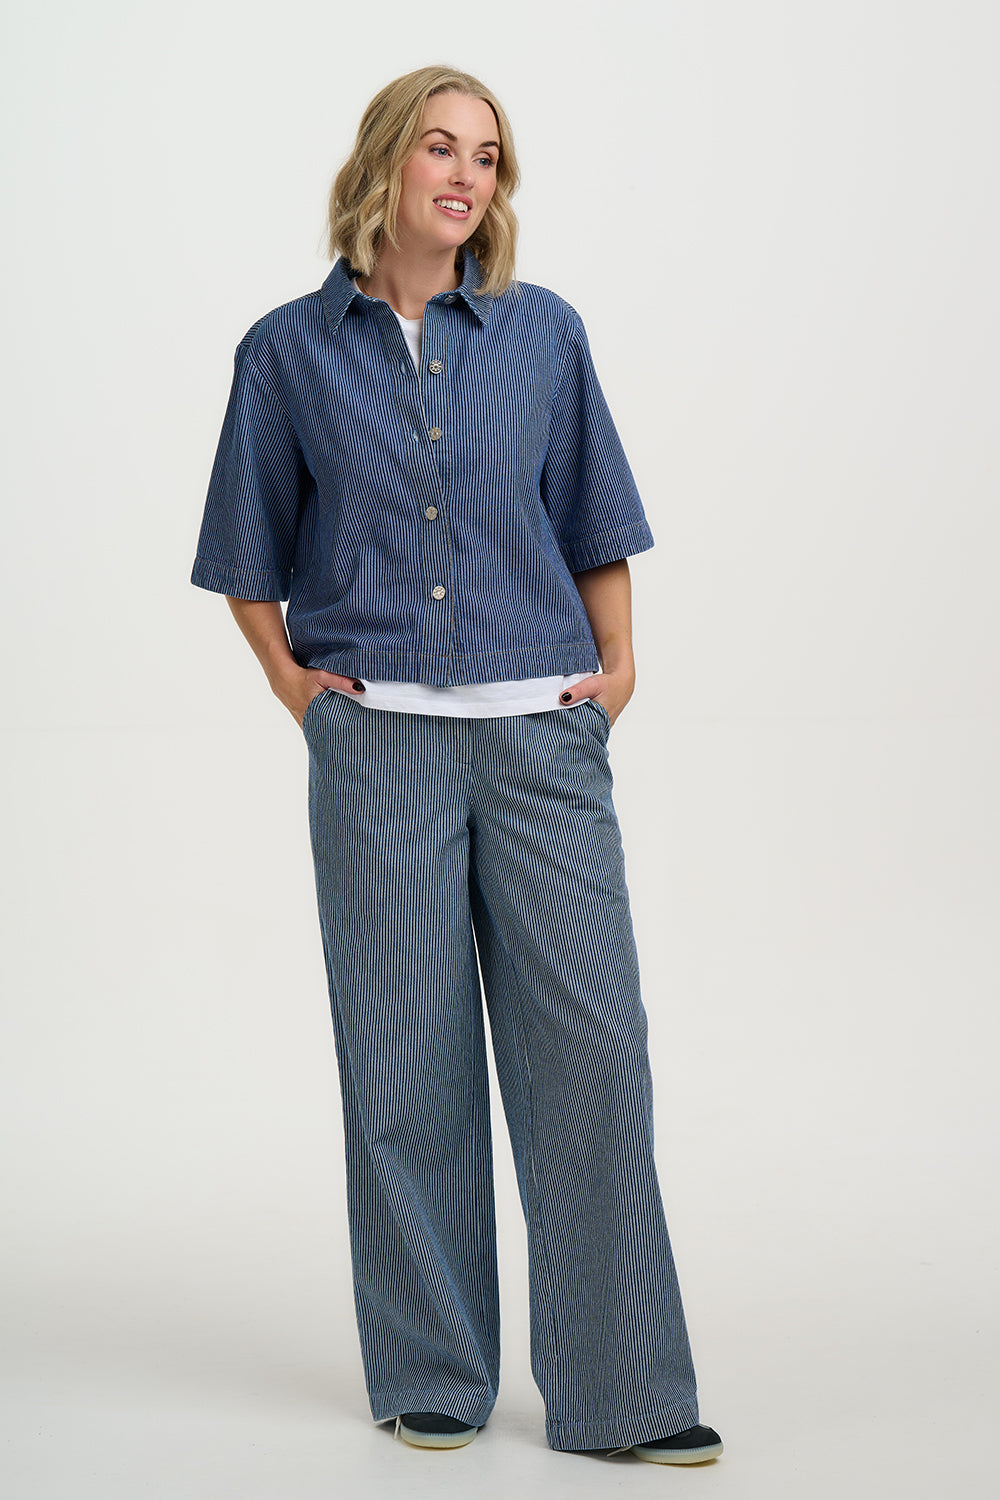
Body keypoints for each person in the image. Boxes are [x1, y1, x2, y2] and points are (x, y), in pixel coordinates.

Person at [191, 64, 722, 1466]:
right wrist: (299, 691)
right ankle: (433, 1369)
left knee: (595, 1057)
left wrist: (615, 674)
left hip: (542, 738)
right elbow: (248, 553)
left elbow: (593, 512)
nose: (468, 175)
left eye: (488, 157)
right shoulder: (288, 353)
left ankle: (624, 1394)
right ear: (385, 163)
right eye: (442, 146)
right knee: (402, 1062)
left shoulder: (542, 335)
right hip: (377, 752)